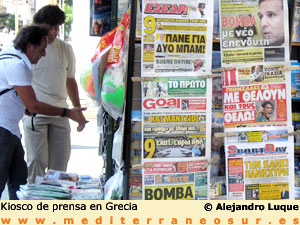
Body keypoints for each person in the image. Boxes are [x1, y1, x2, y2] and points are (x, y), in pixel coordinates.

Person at [0, 25, 87, 199]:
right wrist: (67, 113)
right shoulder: (15, 64)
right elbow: (33, 106)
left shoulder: (12, 57)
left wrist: (25, 107)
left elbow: (23, 102)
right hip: (3, 130)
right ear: (30, 47)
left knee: (19, 181)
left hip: (10, 130)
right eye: (42, 50)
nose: (44, 54)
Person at [23, 5, 88, 184]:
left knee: (59, 166)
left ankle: (54, 205)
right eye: (49, 27)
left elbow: (70, 80)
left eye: (56, 28)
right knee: (36, 161)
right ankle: (34, 205)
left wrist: (77, 110)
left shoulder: (65, 49)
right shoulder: (27, 49)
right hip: (35, 113)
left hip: (61, 112)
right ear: (38, 26)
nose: (53, 32)